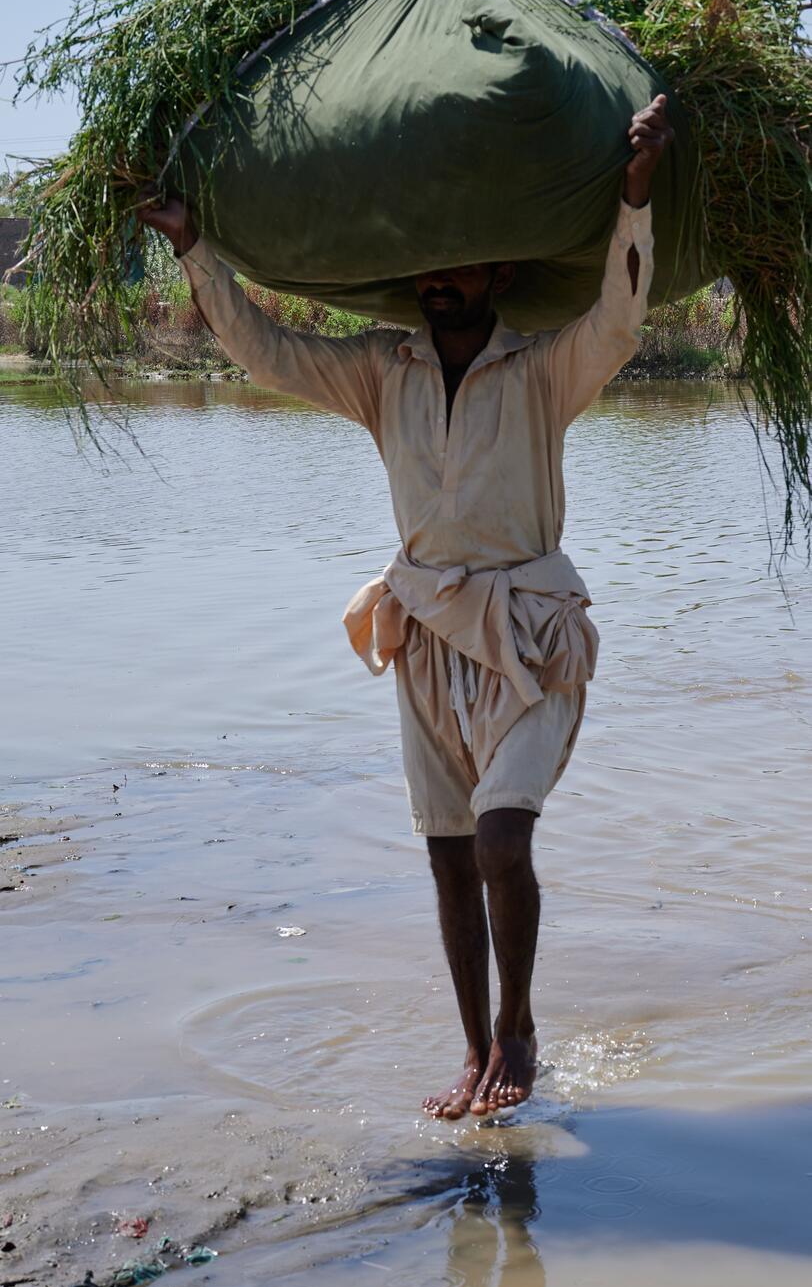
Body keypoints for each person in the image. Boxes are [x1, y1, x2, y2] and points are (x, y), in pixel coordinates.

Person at [142, 95, 673, 1121]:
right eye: (426, 272)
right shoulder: (380, 376)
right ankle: (473, 1047)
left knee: (500, 841)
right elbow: (265, 350)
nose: (438, 283)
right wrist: (196, 249)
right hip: (425, 632)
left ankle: (517, 1027)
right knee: (444, 852)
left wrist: (634, 195)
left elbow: (618, 319)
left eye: (458, 265)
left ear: (499, 274)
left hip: (527, 632)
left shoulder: (542, 368)